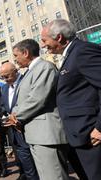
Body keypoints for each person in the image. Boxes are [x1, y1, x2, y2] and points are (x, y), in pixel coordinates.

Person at [41, 19, 101, 180]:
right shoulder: (70, 55)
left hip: (91, 135)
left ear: (59, 37)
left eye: (45, 40)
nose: (42, 45)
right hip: (78, 136)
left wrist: (100, 128)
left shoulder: (82, 51)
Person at [6, 39, 69, 180]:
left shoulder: (44, 67)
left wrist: (15, 115)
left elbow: (37, 99)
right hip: (36, 134)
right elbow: (22, 100)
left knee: (54, 176)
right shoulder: (31, 71)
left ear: (26, 53)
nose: (15, 60)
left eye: (16, 55)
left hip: (46, 134)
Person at [0, 62, 39, 180]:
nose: (4, 79)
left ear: (15, 72)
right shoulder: (4, 88)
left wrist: (19, 117)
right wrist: (6, 117)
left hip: (31, 129)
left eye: (7, 76)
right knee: (28, 167)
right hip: (15, 134)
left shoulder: (26, 81)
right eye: (2, 77)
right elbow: (4, 107)